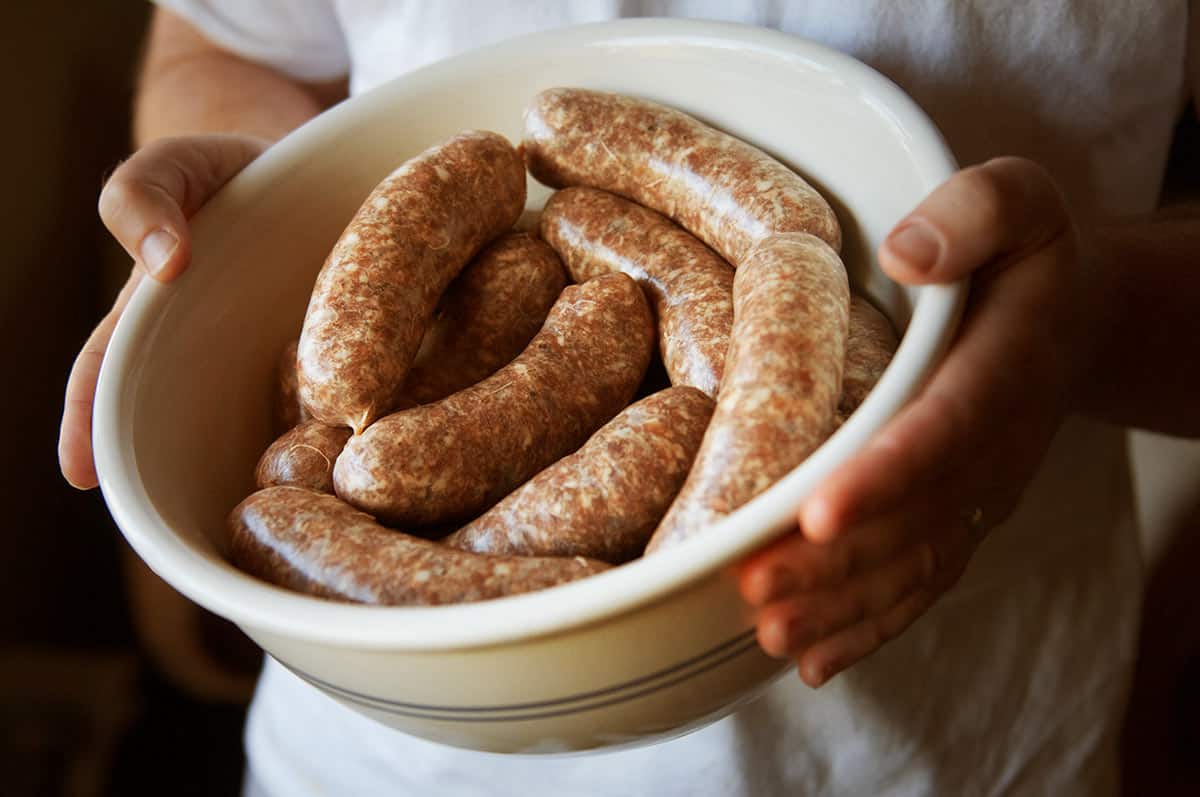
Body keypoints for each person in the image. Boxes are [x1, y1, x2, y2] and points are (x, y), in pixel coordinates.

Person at [59, 1, 1200, 794]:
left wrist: (1091, 315)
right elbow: (228, 38)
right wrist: (247, 229)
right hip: (379, 755)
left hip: (951, 740)